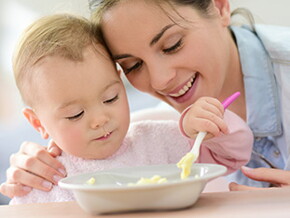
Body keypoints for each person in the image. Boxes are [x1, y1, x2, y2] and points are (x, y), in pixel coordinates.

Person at [1, 0, 289, 198]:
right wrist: (37, 167)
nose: (160, 80)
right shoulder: (156, 133)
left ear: (219, 7)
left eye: (172, 45)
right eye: (133, 66)